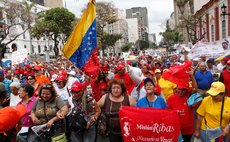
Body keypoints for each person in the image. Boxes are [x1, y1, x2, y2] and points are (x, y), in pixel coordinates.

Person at [167, 70, 197, 142]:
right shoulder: (171, 98)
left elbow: (195, 89)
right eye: (179, 89)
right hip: (176, 129)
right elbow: (167, 112)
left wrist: (192, 76)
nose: (181, 91)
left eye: (183, 90)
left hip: (188, 130)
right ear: (176, 88)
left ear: (187, 90)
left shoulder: (189, 97)